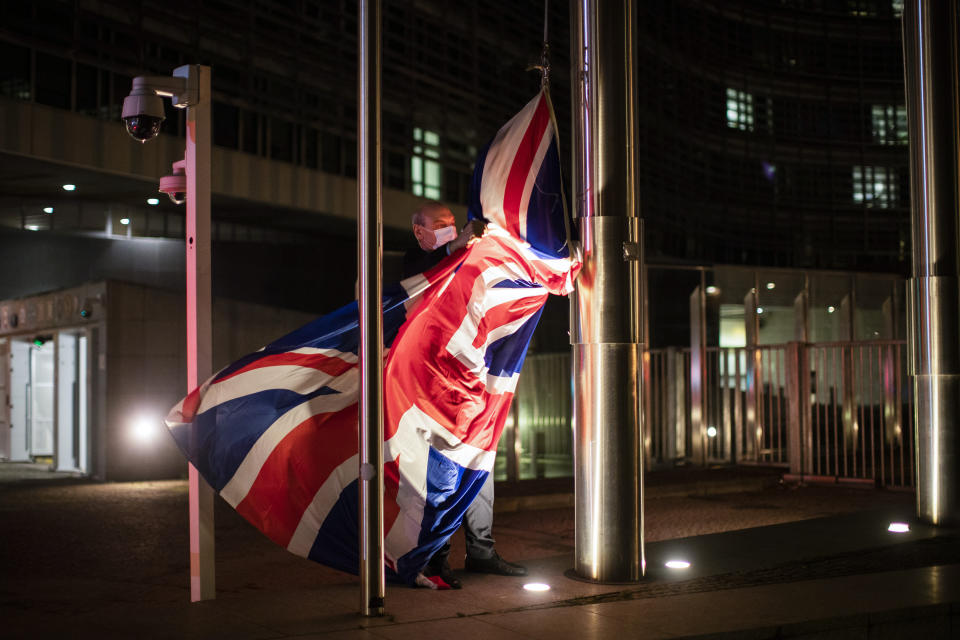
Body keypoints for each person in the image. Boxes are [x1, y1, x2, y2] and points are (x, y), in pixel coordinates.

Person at [402, 200, 528, 589]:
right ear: (419, 231)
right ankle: (436, 558)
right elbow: (421, 276)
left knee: (479, 466)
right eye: (440, 225)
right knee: (440, 474)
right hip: (430, 390)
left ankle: (481, 551)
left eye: (453, 224)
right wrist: (454, 247)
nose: (450, 229)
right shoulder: (412, 265)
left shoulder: (464, 258)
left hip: (470, 381)